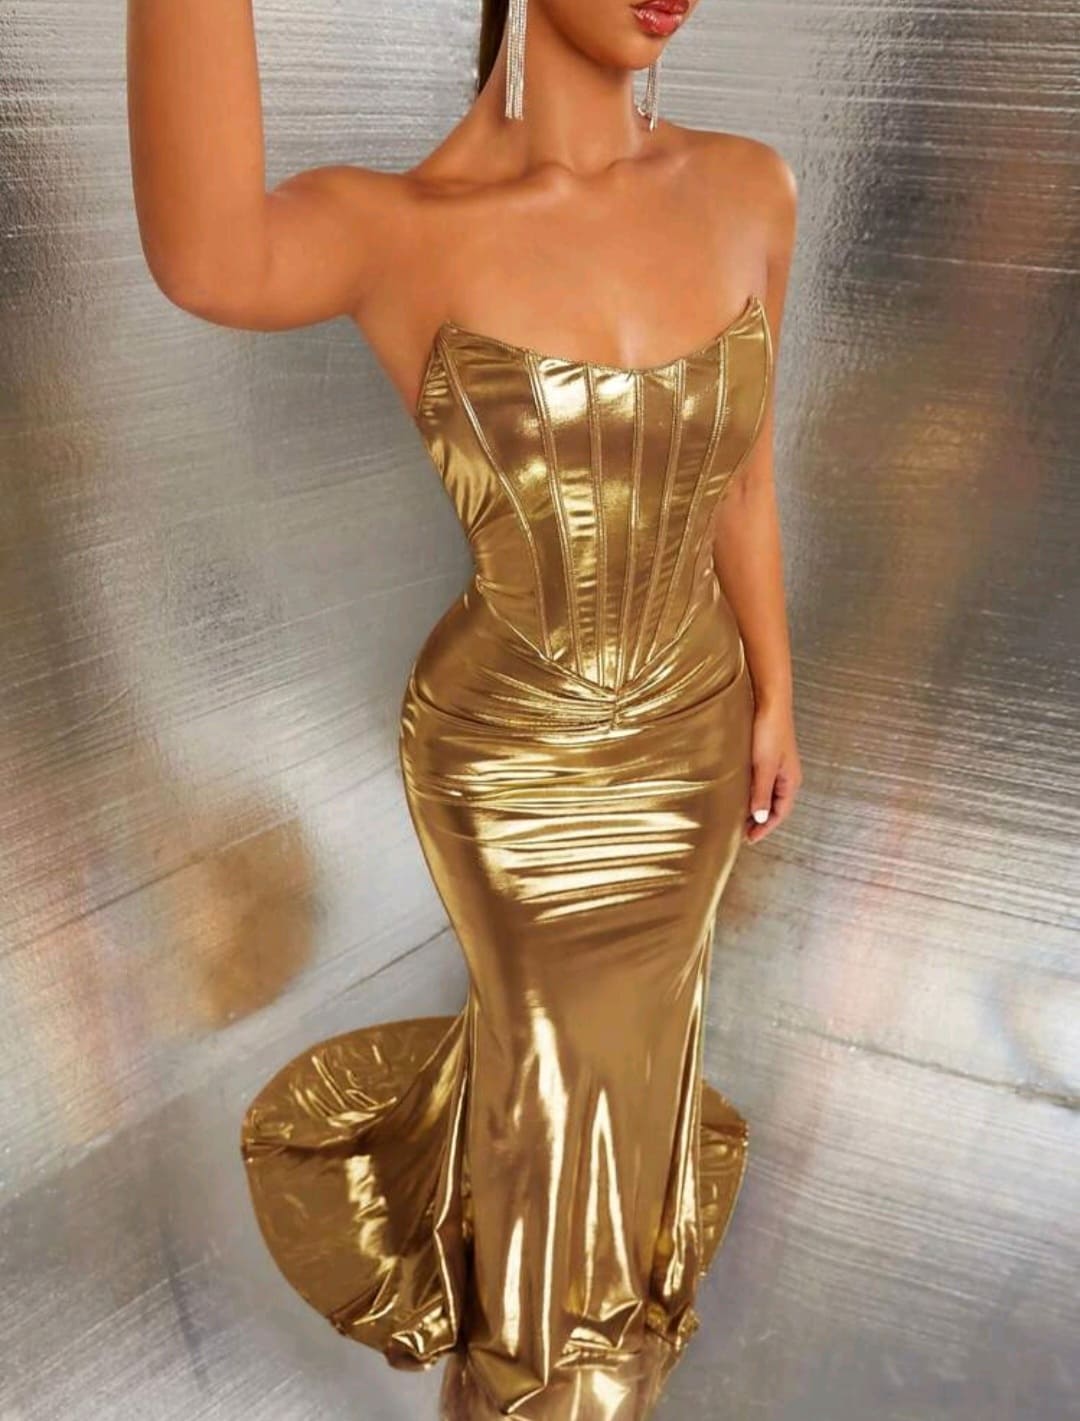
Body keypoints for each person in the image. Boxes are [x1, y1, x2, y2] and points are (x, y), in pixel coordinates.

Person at [128, 0, 802, 1415]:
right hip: (517, 772)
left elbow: (744, 477)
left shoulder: (750, 188)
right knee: (564, 1100)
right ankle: (544, 1385)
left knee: (620, 1090)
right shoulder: (402, 227)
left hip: (695, 735)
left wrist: (778, 693)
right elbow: (207, 255)